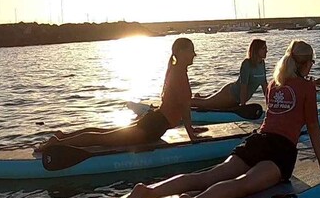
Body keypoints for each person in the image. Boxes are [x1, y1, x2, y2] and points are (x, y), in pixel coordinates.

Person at [113, 40, 320, 198]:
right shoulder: (307, 87)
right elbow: (313, 126)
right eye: (312, 62)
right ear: (305, 64)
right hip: (280, 151)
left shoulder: (275, 83)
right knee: (242, 185)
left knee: (209, 176)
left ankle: (148, 192)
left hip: (257, 141)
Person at [36, 37, 204, 151]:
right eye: (191, 51)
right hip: (154, 126)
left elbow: (179, 105)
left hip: (155, 121)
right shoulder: (179, 73)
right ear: (180, 52)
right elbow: (184, 108)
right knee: (103, 139)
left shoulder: (176, 70)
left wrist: (191, 129)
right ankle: (57, 144)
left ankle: (63, 136)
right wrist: (191, 134)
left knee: (104, 133)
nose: (194, 54)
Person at [192, 39, 269, 109]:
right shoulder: (247, 64)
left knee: (208, 100)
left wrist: (270, 104)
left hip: (237, 100)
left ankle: (199, 97)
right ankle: (186, 102)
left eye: (266, 48)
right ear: (256, 50)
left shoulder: (262, 63)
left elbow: (264, 85)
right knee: (206, 103)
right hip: (230, 95)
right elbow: (244, 86)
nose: (266, 51)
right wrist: (243, 106)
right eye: (263, 49)